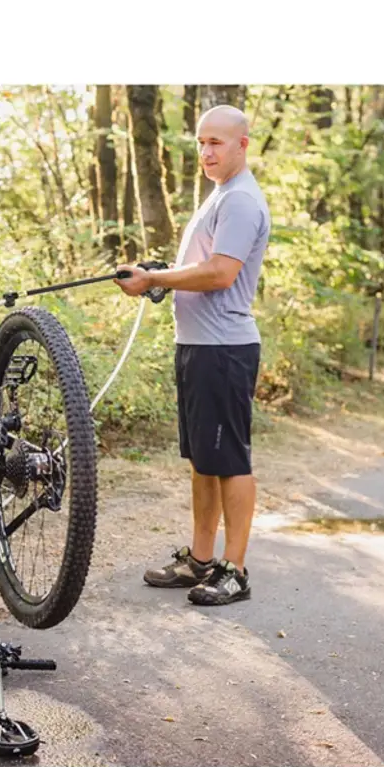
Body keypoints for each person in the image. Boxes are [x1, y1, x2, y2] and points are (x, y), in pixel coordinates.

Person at [116, 104, 269, 605]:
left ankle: (235, 571)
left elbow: (221, 273)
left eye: (216, 143)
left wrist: (154, 279)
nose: (206, 152)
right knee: (204, 460)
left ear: (242, 145)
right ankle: (201, 561)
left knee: (231, 461)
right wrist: (162, 276)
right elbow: (201, 267)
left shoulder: (240, 200)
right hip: (198, 348)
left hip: (225, 350)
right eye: (201, 142)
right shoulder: (219, 196)